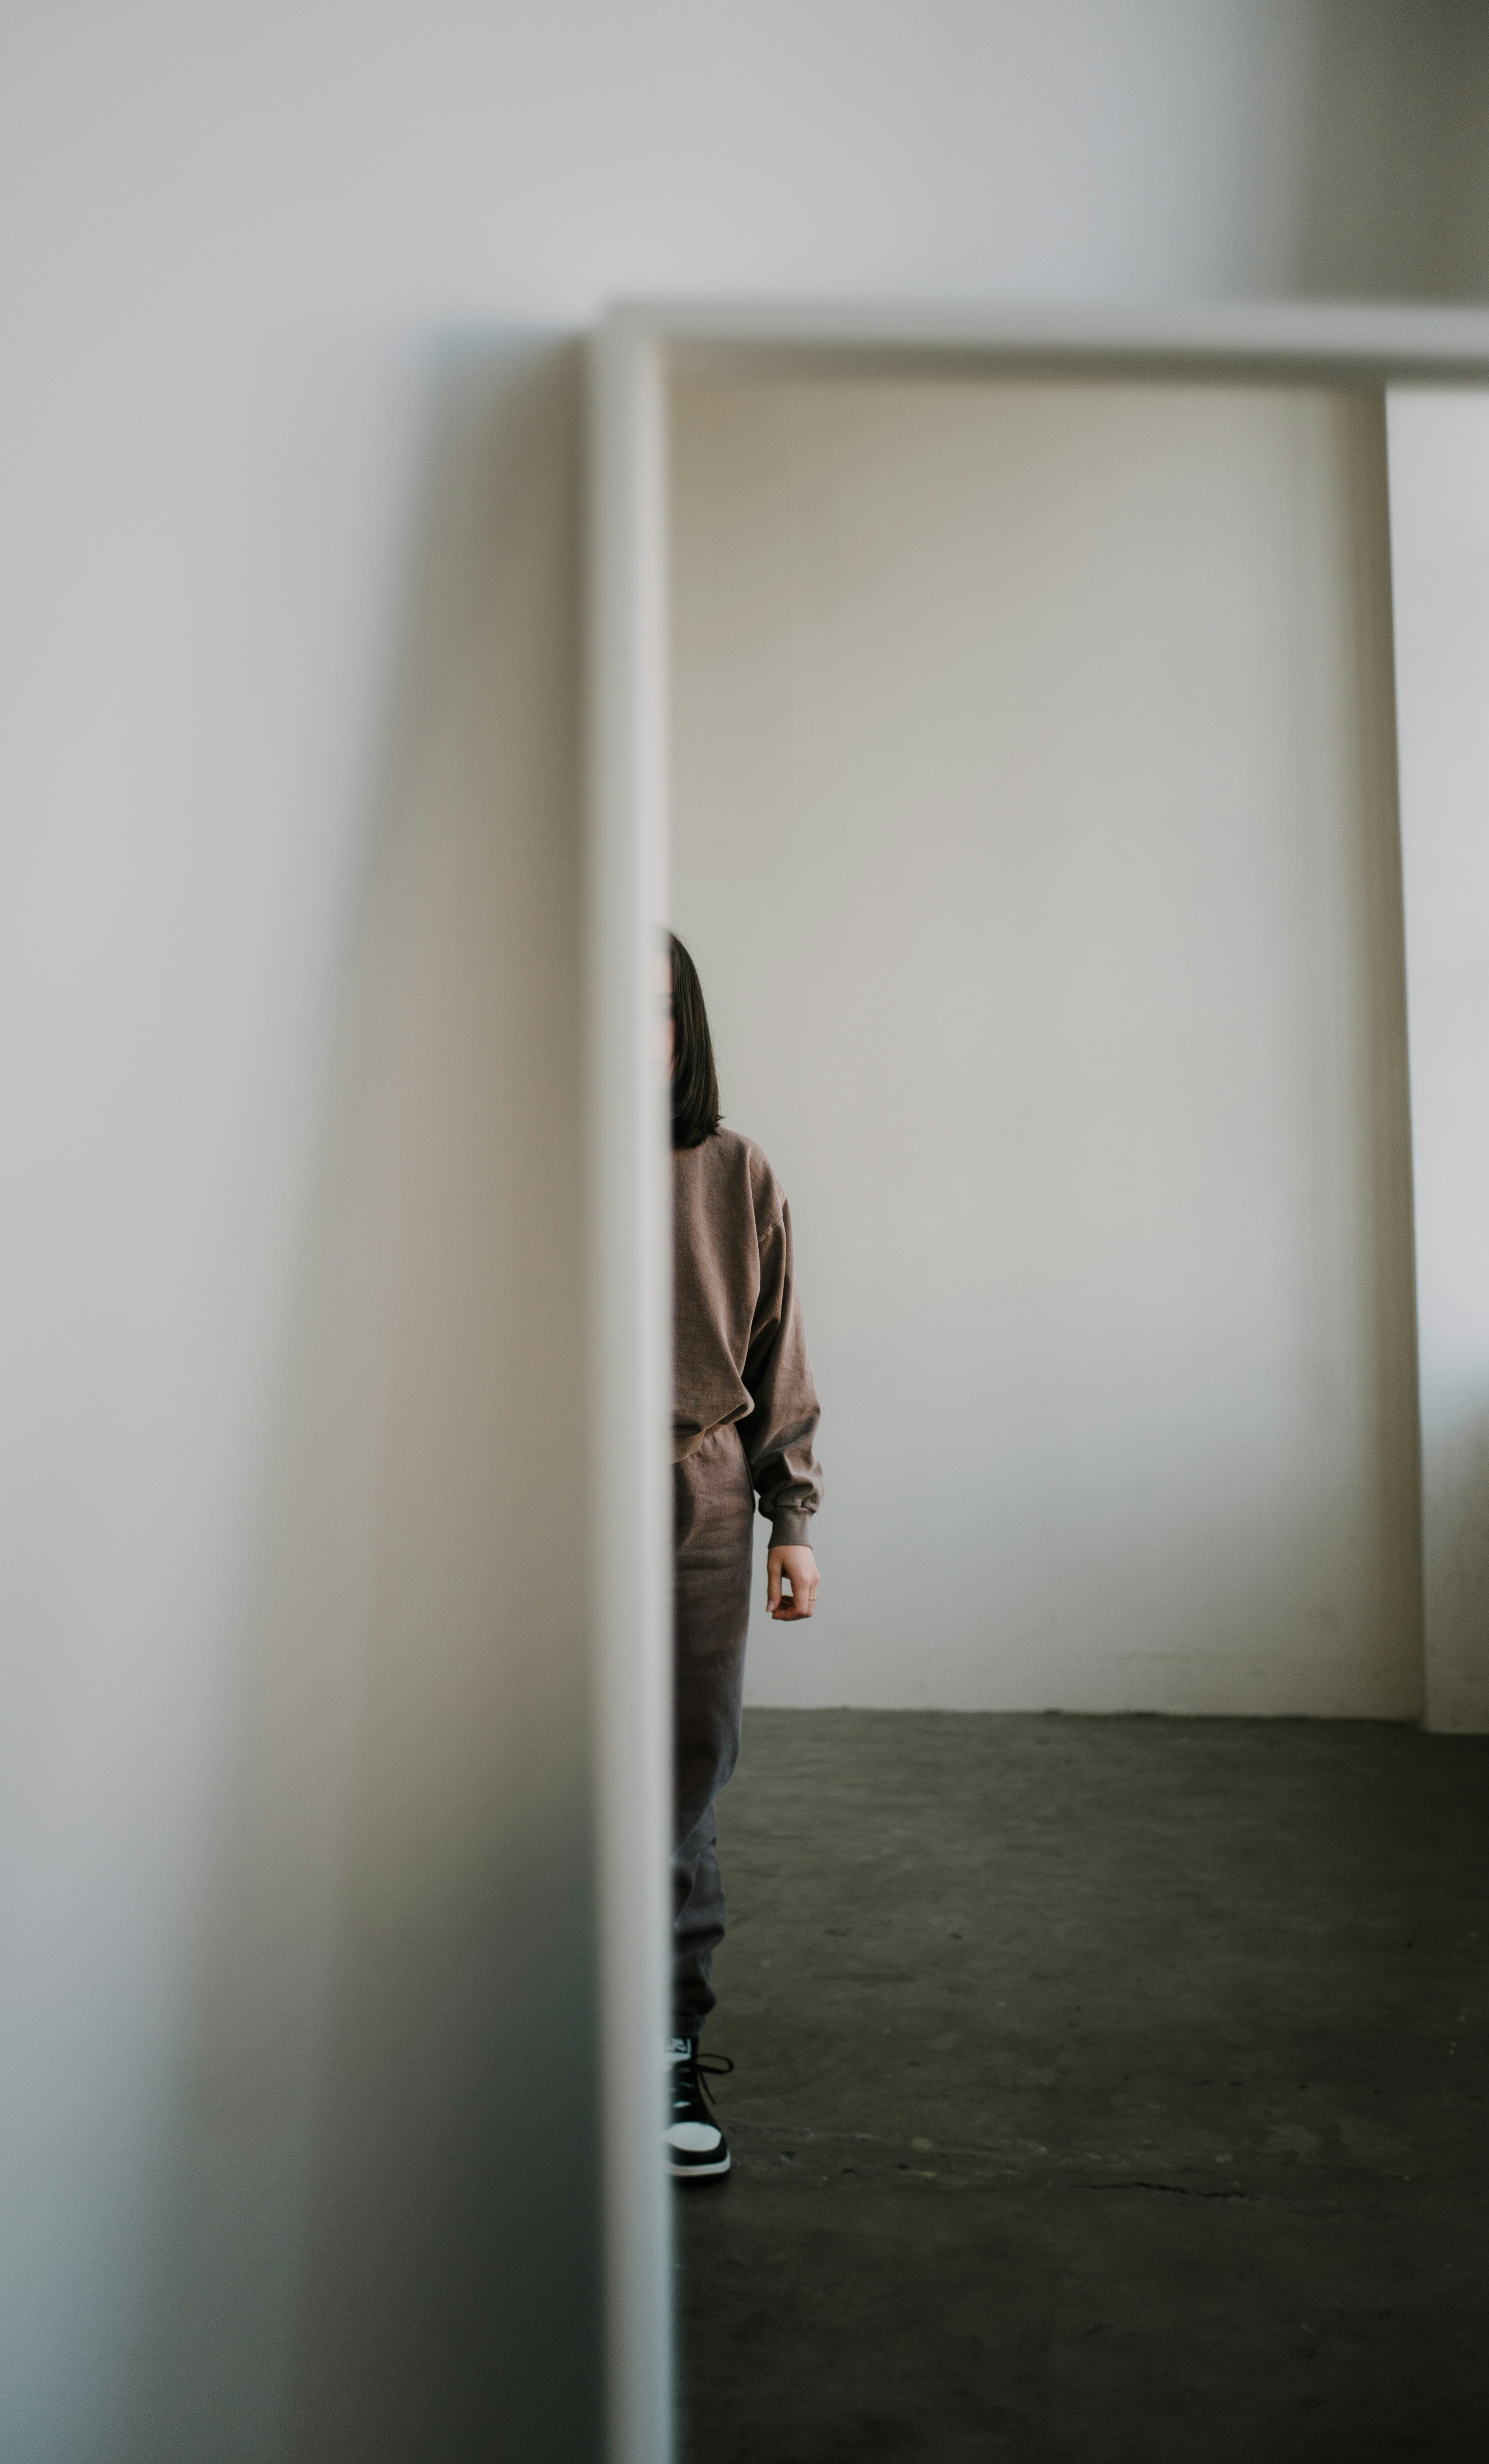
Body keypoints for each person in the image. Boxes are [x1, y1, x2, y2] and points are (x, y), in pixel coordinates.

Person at [665, 932, 822, 2182]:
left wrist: (793, 1520)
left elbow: (779, 1357)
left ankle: (668, 2041)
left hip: (697, 1500)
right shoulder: (516, 1168)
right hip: (536, 1502)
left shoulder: (733, 1171)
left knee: (681, 1773)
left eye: (652, 1012)